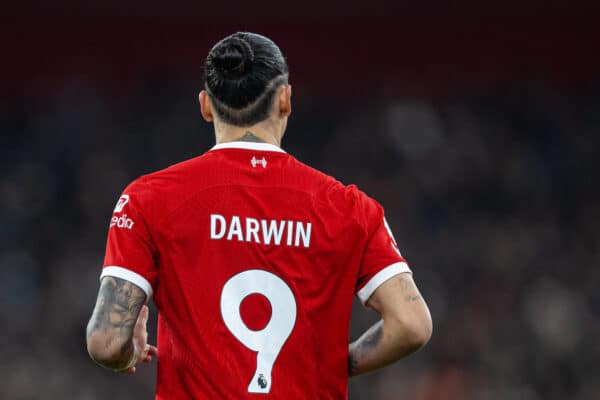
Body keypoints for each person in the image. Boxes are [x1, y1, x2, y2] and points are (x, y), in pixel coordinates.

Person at [86, 32, 432, 399]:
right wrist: (331, 362)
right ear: (285, 99)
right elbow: (411, 325)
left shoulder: (148, 198)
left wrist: (128, 352)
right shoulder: (350, 207)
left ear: (205, 105)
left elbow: (107, 342)